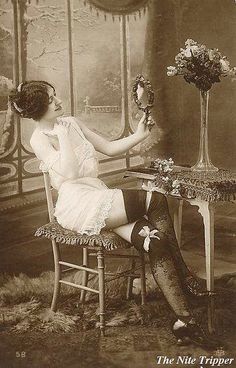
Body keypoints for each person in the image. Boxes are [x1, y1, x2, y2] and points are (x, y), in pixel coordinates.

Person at [9, 80, 222, 349]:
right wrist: (61, 136)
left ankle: (184, 321)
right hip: (76, 203)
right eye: (52, 99)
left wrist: (140, 135)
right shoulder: (39, 139)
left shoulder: (72, 122)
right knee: (155, 199)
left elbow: (109, 148)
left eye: (55, 94)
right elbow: (71, 174)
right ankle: (187, 278)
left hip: (98, 195)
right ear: (38, 108)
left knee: (154, 240)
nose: (59, 101)